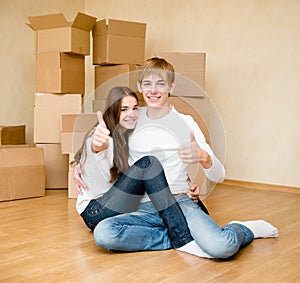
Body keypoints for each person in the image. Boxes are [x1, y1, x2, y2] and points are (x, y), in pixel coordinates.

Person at [90, 58, 279, 259]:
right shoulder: (132, 117)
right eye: (147, 84)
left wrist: (204, 157)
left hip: (179, 201)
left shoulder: (185, 123)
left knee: (221, 247)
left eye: (160, 84)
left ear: (172, 86)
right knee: (104, 233)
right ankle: (180, 237)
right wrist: (94, 149)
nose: (153, 90)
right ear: (139, 87)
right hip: (142, 206)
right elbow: (103, 150)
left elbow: (219, 175)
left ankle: (244, 229)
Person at [72, 86, 212, 258]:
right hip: (96, 210)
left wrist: (184, 188)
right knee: (148, 164)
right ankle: (183, 238)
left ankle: (177, 231)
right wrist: (97, 145)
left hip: (117, 203)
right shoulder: (103, 136)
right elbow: (98, 147)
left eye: (135, 108)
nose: (131, 113)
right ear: (113, 111)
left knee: (156, 181)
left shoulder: (128, 134)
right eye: (124, 109)